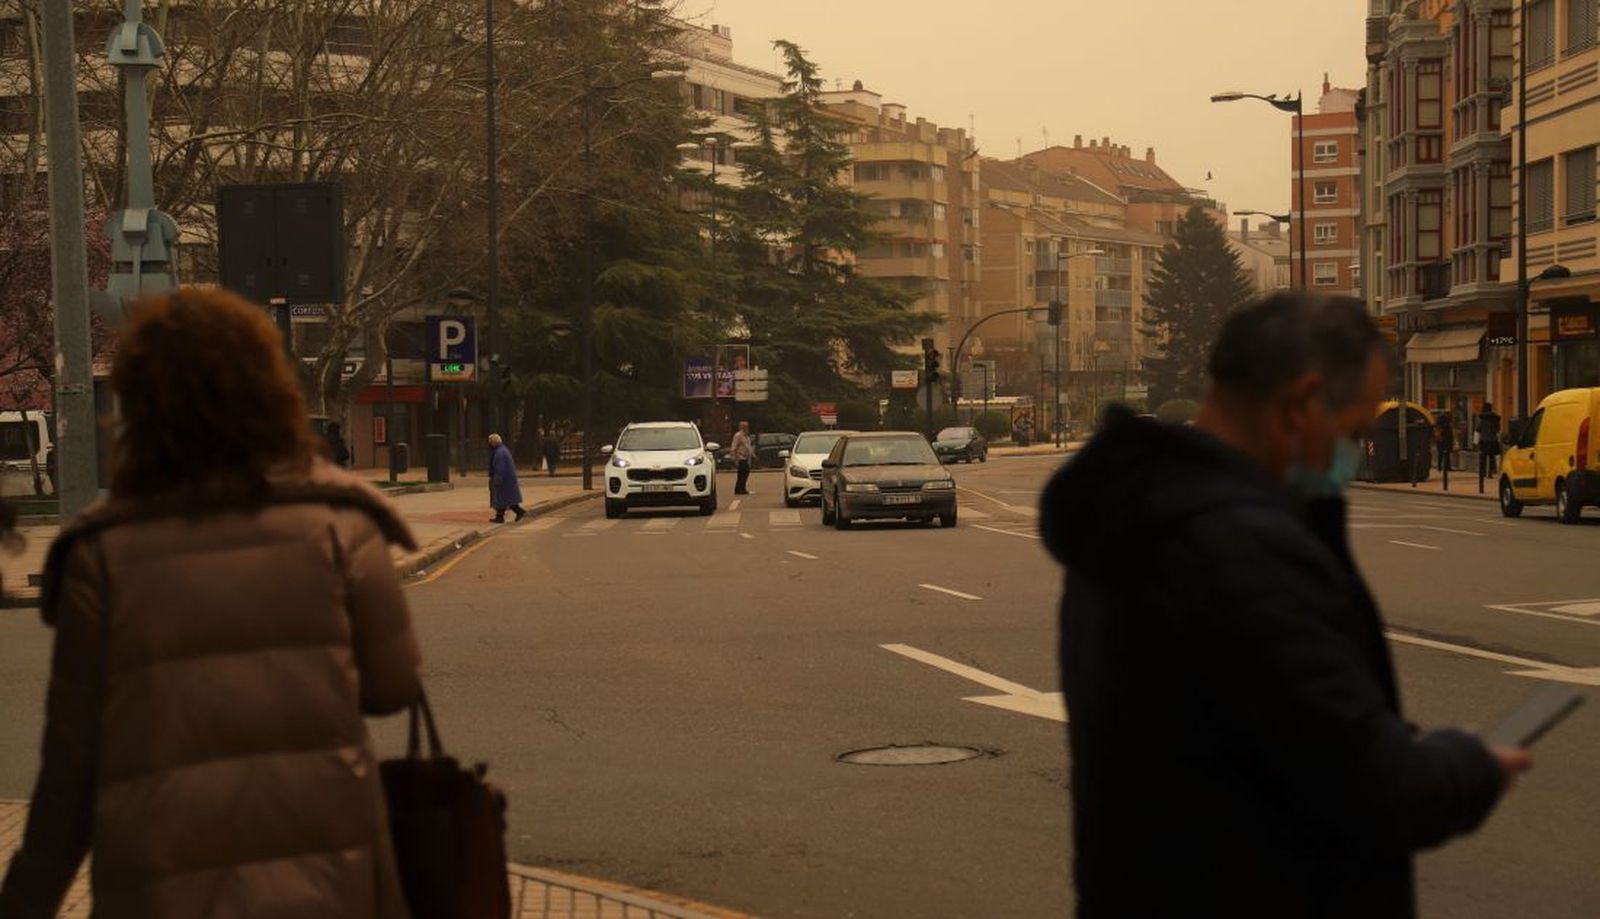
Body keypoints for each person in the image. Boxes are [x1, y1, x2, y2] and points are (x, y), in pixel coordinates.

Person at [1039, 293, 1524, 918]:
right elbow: (1370, 786)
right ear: (1300, 404)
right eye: (1353, 432)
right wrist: (1471, 765)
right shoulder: (1244, 551)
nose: (1353, 455)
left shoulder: (1136, 515)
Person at [0, 288, 422, 918]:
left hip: (159, 886)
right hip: (329, 876)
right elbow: (391, 687)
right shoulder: (340, 522)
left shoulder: (102, 552)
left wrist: (26, 900)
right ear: (270, 389)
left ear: (140, 406)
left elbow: (71, 772)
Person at [488, 432, 525, 522]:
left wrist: (497, 480)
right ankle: (499, 517)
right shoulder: (502, 450)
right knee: (504, 500)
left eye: (490, 442)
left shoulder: (500, 453)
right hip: (507, 480)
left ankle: (519, 512)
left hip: (504, 481)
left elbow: (501, 468)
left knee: (505, 499)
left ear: (493, 443)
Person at [1476, 401, 1503, 489]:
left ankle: (1482, 473)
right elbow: (1498, 429)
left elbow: (1478, 429)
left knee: (1483, 457)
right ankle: (1490, 473)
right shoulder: (1495, 418)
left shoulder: (1482, 418)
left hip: (1484, 440)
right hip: (1492, 440)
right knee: (1491, 457)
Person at [730, 420, 755, 495]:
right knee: (742, 474)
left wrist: (753, 455)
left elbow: (748, 447)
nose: (747, 428)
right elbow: (734, 447)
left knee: (745, 473)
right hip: (741, 457)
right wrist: (734, 457)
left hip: (746, 458)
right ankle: (739, 489)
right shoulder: (738, 436)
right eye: (745, 427)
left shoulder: (747, 436)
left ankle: (741, 488)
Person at [1436, 410, 1455, 476]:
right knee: (1446, 453)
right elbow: (1448, 433)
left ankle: (1439, 467)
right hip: (1445, 440)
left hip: (1441, 440)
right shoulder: (1446, 423)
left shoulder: (1439, 422)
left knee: (1441, 454)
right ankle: (1447, 467)